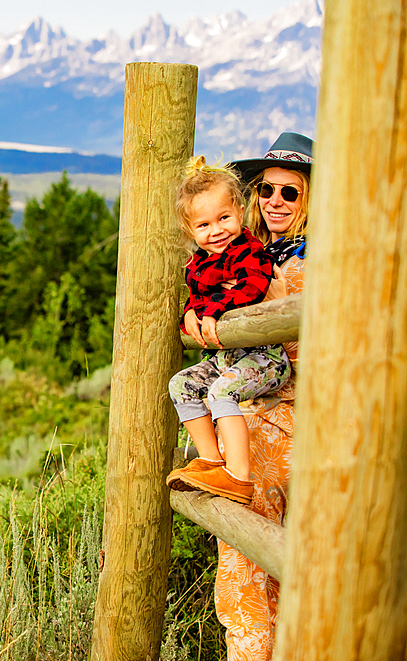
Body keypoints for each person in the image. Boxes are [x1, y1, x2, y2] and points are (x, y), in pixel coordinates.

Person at [212, 132, 312, 660]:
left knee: (247, 569)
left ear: (309, 200)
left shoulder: (307, 264)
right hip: (272, 424)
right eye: (266, 190)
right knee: (262, 563)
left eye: (290, 193)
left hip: (285, 425)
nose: (274, 201)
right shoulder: (258, 256)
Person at [165, 156, 291, 505]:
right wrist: (190, 312)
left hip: (265, 359)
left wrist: (213, 309)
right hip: (227, 358)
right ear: (190, 231)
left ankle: (238, 476)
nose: (216, 230)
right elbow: (199, 297)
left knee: (222, 391)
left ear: (239, 210)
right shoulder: (199, 264)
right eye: (204, 225)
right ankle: (212, 461)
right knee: (181, 385)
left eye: (224, 218)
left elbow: (252, 286)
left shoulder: (248, 252)